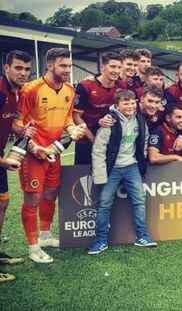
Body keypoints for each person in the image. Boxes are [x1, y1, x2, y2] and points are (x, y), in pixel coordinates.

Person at [14, 48, 85, 263]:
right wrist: (33, 146)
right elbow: (17, 123)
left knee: (51, 193)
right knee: (33, 198)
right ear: (50, 65)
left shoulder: (70, 90)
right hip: (33, 152)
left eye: (70, 66)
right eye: (63, 65)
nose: (68, 70)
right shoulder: (30, 89)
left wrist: (72, 129)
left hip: (55, 152)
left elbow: (67, 119)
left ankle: (45, 235)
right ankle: (33, 247)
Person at [89, 89, 156, 254]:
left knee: (140, 200)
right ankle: (100, 240)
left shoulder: (140, 120)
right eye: (126, 103)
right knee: (104, 204)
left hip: (131, 167)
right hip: (112, 169)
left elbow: (144, 141)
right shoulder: (109, 122)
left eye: (133, 102)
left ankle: (143, 236)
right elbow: (98, 150)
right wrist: (100, 175)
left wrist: (141, 159)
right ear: (117, 105)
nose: (130, 106)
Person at [0, 50, 32, 282]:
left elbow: (7, 120)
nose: (23, 73)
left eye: (27, 69)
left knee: (2, 204)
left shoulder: (16, 93)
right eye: (18, 68)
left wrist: (18, 130)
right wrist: (3, 162)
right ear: (6, 68)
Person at [73, 52, 126, 165]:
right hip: (86, 140)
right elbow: (76, 116)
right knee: (83, 177)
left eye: (119, 67)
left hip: (109, 141)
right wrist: (93, 139)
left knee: (108, 176)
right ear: (102, 67)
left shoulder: (121, 86)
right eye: (112, 66)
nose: (116, 71)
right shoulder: (86, 86)